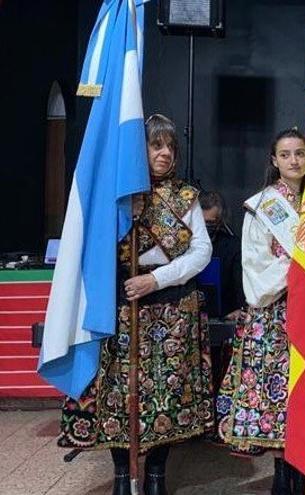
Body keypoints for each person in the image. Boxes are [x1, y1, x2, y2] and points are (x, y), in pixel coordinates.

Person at [57, 114, 214, 495]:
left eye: (170, 147)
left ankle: (156, 476)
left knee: (169, 395)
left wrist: (155, 278)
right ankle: (123, 478)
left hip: (172, 310)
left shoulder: (185, 196)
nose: (164, 153)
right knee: (116, 391)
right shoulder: (115, 196)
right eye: (155, 145)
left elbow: (201, 251)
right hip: (118, 310)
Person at [215, 128, 305, 495]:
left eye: (300, 153)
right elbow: (256, 272)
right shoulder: (263, 206)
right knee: (280, 404)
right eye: (286, 154)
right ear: (274, 161)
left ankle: (300, 473)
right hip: (276, 317)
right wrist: (304, 268)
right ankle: (283, 479)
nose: (295, 160)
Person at [199, 190, 245, 320]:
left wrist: (239, 309)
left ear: (220, 221)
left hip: (225, 317)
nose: (206, 228)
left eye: (210, 223)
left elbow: (239, 284)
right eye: (201, 223)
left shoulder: (233, 246)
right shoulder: (182, 247)